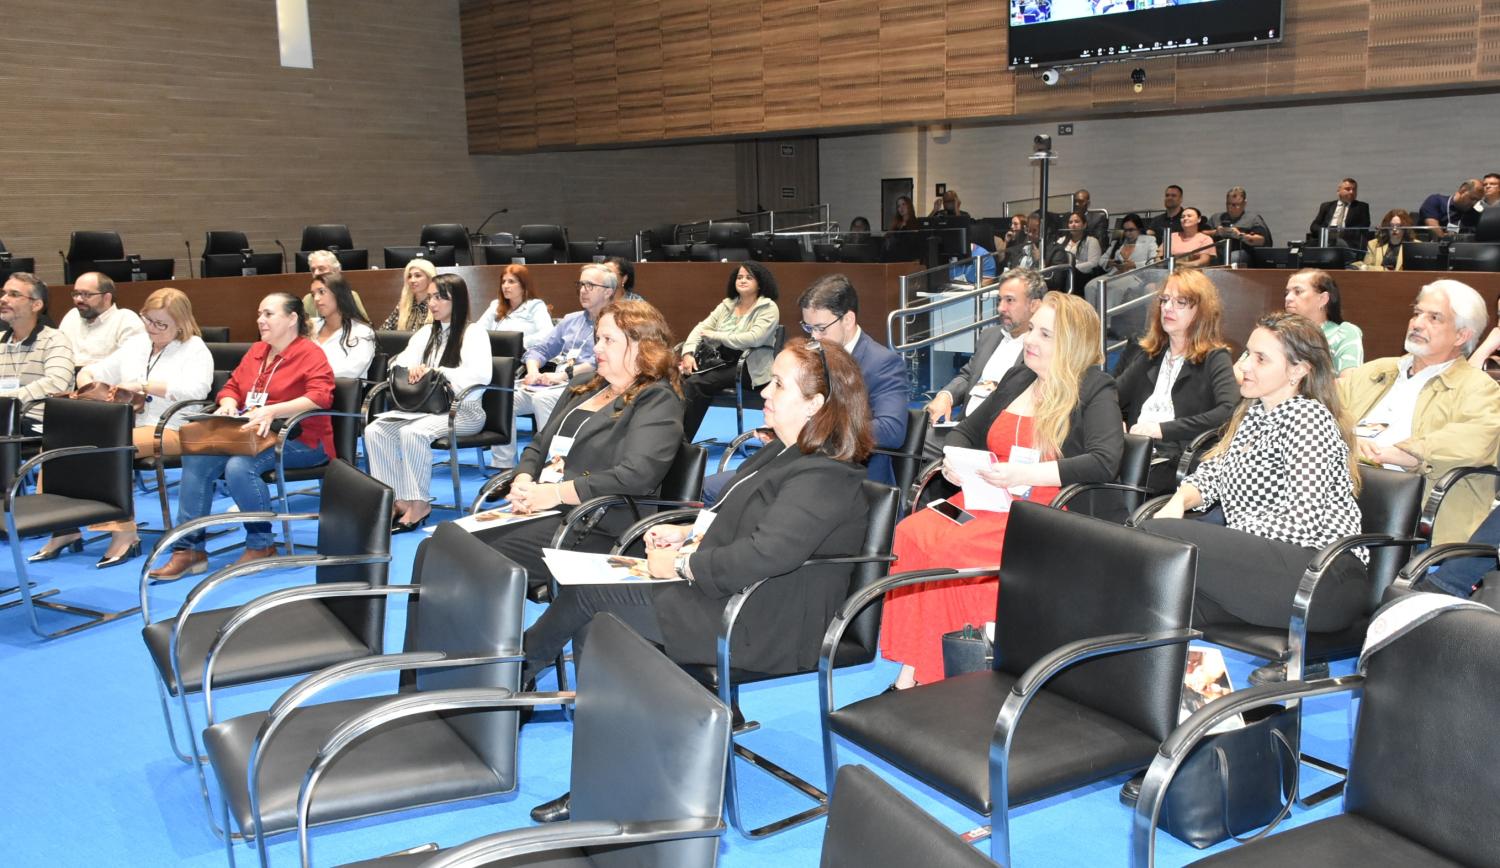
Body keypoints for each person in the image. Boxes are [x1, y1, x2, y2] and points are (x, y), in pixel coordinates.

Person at [520, 337, 873, 823]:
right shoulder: (782, 452)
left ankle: (520, 681)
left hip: (765, 619)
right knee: (596, 616)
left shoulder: (825, 473)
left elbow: (765, 553)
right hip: (732, 593)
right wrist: (686, 532)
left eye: (778, 384)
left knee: (592, 603)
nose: (764, 391)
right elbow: (733, 517)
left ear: (815, 404)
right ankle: (610, 771)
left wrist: (681, 565)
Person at [880, 292, 1123, 688]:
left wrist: (1023, 473)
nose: (1031, 340)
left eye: (1045, 334)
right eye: (1033, 330)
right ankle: (914, 666)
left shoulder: (1095, 387)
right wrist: (954, 460)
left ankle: (947, 675)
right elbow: (966, 430)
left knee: (951, 551)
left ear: (1072, 343)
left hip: (1046, 511)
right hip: (989, 497)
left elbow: (1103, 460)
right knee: (911, 533)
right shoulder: (1018, 377)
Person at [1144, 312, 1365, 683]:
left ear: (1297, 371)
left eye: (1261, 359)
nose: (1243, 365)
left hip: (1323, 577)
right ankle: (1187, 697)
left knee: (1159, 540)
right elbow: (1213, 476)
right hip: (1273, 569)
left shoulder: (1307, 418)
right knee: (1162, 594)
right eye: (1247, 353)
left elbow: (1301, 518)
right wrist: (1179, 501)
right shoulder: (1255, 414)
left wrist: (1224, 540)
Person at [475, 299, 684, 595]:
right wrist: (523, 480)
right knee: (444, 543)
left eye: (608, 340)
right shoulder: (586, 384)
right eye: (597, 338)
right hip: (545, 507)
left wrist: (554, 493)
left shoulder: (657, 399)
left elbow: (636, 475)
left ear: (642, 346)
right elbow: (540, 443)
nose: (597, 347)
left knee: (476, 559)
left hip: (595, 522)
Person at [147, 293, 334, 580]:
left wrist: (272, 410)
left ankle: (261, 545)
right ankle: (189, 549)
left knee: (239, 467)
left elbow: (320, 397)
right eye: (259, 314)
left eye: (268, 314)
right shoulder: (258, 350)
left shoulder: (310, 353)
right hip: (248, 435)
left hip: (301, 439)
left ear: (292, 319)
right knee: (196, 459)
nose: (260, 320)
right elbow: (231, 387)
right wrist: (228, 403)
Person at [34, 288, 213, 568]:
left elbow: (198, 390)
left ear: (181, 322)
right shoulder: (138, 344)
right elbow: (94, 371)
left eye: (161, 324)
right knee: (57, 449)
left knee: (109, 449)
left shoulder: (194, 348)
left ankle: (124, 533)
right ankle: (63, 528)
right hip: (128, 427)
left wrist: (144, 386)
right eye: (148, 320)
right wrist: (90, 384)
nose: (152, 328)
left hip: (172, 428)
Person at [1339, 280, 1500, 545]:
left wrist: (1406, 452)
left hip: (1410, 517)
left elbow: (1475, 440)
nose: (1417, 323)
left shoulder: (1479, 388)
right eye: (1417, 313)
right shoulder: (1375, 371)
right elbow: (1325, 411)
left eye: (1434, 318)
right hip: (1341, 492)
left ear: (1461, 336)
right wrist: (1346, 441)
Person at [366, 273, 493, 532]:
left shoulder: (474, 333)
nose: (432, 303)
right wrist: (412, 368)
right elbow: (397, 363)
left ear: (456, 300)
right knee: (375, 430)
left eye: (439, 298)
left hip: (464, 411)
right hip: (425, 409)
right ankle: (398, 501)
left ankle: (419, 503)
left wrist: (437, 372)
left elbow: (481, 376)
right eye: (431, 297)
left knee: (413, 433)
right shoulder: (426, 333)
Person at [1114, 268, 1239, 492]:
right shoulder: (1151, 354)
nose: (1167, 308)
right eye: (1164, 300)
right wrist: (1113, 419)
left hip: (1175, 459)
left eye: (1180, 302)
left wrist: (1162, 429)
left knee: (1113, 482)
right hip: (1136, 452)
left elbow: (1229, 412)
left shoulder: (1214, 357)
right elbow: (1112, 396)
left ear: (1201, 311)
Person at [490, 263, 617, 471]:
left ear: (608, 292)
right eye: (580, 284)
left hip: (589, 384)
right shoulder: (571, 320)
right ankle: (503, 466)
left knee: (543, 400)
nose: (583, 290)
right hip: (554, 382)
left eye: (590, 285)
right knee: (504, 395)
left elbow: (600, 361)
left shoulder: (615, 322)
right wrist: (533, 371)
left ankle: (549, 466)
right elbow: (539, 350)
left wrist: (563, 376)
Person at [923, 269, 1047, 459]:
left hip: (998, 435)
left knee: (914, 440)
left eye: (1010, 300)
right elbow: (967, 375)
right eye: (999, 300)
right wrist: (946, 396)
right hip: (964, 429)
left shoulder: (1039, 350)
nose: (1001, 308)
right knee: (913, 432)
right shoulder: (990, 336)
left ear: (1034, 305)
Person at [678, 261, 781, 440]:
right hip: (722, 360)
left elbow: (754, 338)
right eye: (739, 277)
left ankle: (682, 441)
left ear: (760, 283)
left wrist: (717, 336)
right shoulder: (727, 305)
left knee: (697, 383)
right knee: (678, 378)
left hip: (749, 366)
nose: (742, 280)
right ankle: (672, 435)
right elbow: (701, 328)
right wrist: (688, 353)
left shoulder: (768, 307)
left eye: (749, 277)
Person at [0, 272, 75, 427]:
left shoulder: (55, 339)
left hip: (37, 423)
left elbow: (56, 383)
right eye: (4, 293)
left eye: (14, 294)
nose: (3, 299)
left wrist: (8, 399)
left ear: (36, 305)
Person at [1085, 213, 1161, 341]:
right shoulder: (1118, 241)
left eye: (1131, 230)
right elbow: (1101, 260)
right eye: (1125, 230)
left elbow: (1154, 261)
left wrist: (1134, 264)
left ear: (1139, 229)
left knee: (1111, 287)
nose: (1128, 233)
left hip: (1135, 275)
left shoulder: (1149, 240)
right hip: (1115, 273)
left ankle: (1106, 326)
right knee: (1090, 286)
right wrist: (1110, 262)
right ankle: (1090, 322)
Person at [56, 272, 144, 368]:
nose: (78, 299)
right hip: (66, 374)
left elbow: (131, 362)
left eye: (86, 294)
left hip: (104, 376)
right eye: (76, 294)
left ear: (106, 297)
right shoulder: (72, 316)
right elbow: (57, 352)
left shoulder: (125, 319)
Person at [1283, 268, 1363, 372]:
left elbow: (1349, 379)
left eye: (1298, 292)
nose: (1288, 298)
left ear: (1323, 299)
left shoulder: (1344, 333)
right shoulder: (1280, 333)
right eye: (1287, 293)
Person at [308, 272, 375, 379]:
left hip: (339, 388)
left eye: (321, 292)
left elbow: (351, 371)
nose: (316, 298)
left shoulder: (362, 332)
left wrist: (309, 374)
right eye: (313, 294)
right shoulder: (311, 326)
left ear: (339, 294)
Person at [475, 263, 552, 346]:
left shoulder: (535, 305)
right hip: (494, 351)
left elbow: (547, 333)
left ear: (523, 286)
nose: (505, 286)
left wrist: (517, 342)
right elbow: (477, 330)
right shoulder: (496, 305)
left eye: (511, 281)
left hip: (524, 351)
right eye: (503, 282)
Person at [1209, 186, 1272, 263]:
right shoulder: (1216, 218)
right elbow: (1202, 233)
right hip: (1218, 251)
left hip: (1244, 253)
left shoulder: (1253, 219)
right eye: (1228, 204)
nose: (1230, 208)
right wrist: (1216, 232)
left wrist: (1239, 236)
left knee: (1234, 258)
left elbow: (1262, 240)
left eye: (1235, 205)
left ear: (1244, 203)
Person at [302, 251, 369, 321]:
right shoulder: (307, 300)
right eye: (313, 270)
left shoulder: (350, 295)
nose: (316, 273)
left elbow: (364, 323)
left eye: (321, 269)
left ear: (335, 271)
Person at [1307, 178, 1371, 246]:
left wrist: (1341, 233)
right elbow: (1314, 226)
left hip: (1348, 243)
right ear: (1338, 191)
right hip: (1326, 240)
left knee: (1339, 243)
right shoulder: (1326, 206)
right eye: (1348, 189)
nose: (1351, 192)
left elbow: (1364, 226)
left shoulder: (1362, 207)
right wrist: (1326, 233)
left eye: (1354, 189)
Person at [379, 258, 436, 330]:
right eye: (409, 276)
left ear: (429, 278)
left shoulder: (437, 304)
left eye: (418, 276)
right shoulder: (404, 304)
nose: (412, 280)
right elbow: (384, 330)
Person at [1055, 210, 1104, 283]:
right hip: (1061, 275)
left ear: (1084, 225)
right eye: (1070, 222)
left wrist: (1072, 268)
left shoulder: (1091, 241)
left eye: (1077, 222)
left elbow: (1094, 263)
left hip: (1082, 277)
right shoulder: (1061, 240)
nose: (1073, 225)